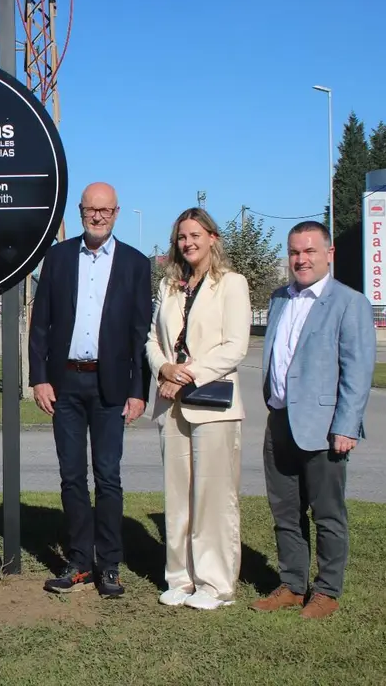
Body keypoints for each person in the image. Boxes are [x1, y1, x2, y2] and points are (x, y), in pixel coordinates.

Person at [29, 182, 151, 598]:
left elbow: (140, 333)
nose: (97, 217)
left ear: (116, 213)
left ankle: (110, 565)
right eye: (90, 210)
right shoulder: (59, 257)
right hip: (64, 382)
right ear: (80, 211)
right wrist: (39, 377)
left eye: (105, 210)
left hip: (111, 385)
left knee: (109, 476)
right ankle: (80, 562)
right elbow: (40, 322)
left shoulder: (135, 264)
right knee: (71, 476)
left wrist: (139, 390)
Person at [250, 221, 375, 619]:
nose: (301, 259)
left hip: (323, 428)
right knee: (285, 511)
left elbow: (358, 370)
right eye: (294, 252)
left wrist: (346, 425)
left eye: (309, 252)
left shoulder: (348, 302)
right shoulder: (279, 299)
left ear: (328, 254)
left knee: (327, 513)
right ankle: (291, 583)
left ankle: (327, 592)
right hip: (280, 419)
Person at [145, 208, 252, 610]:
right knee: (178, 495)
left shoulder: (232, 284)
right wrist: (163, 367)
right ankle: (180, 577)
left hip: (213, 405)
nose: (187, 243)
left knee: (213, 495)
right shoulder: (169, 286)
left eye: (194, 235)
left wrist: (185, 375)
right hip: (170, 404)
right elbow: (151, 338)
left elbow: (234, 346)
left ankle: (216, 583)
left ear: (212, 237)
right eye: (181, 237)